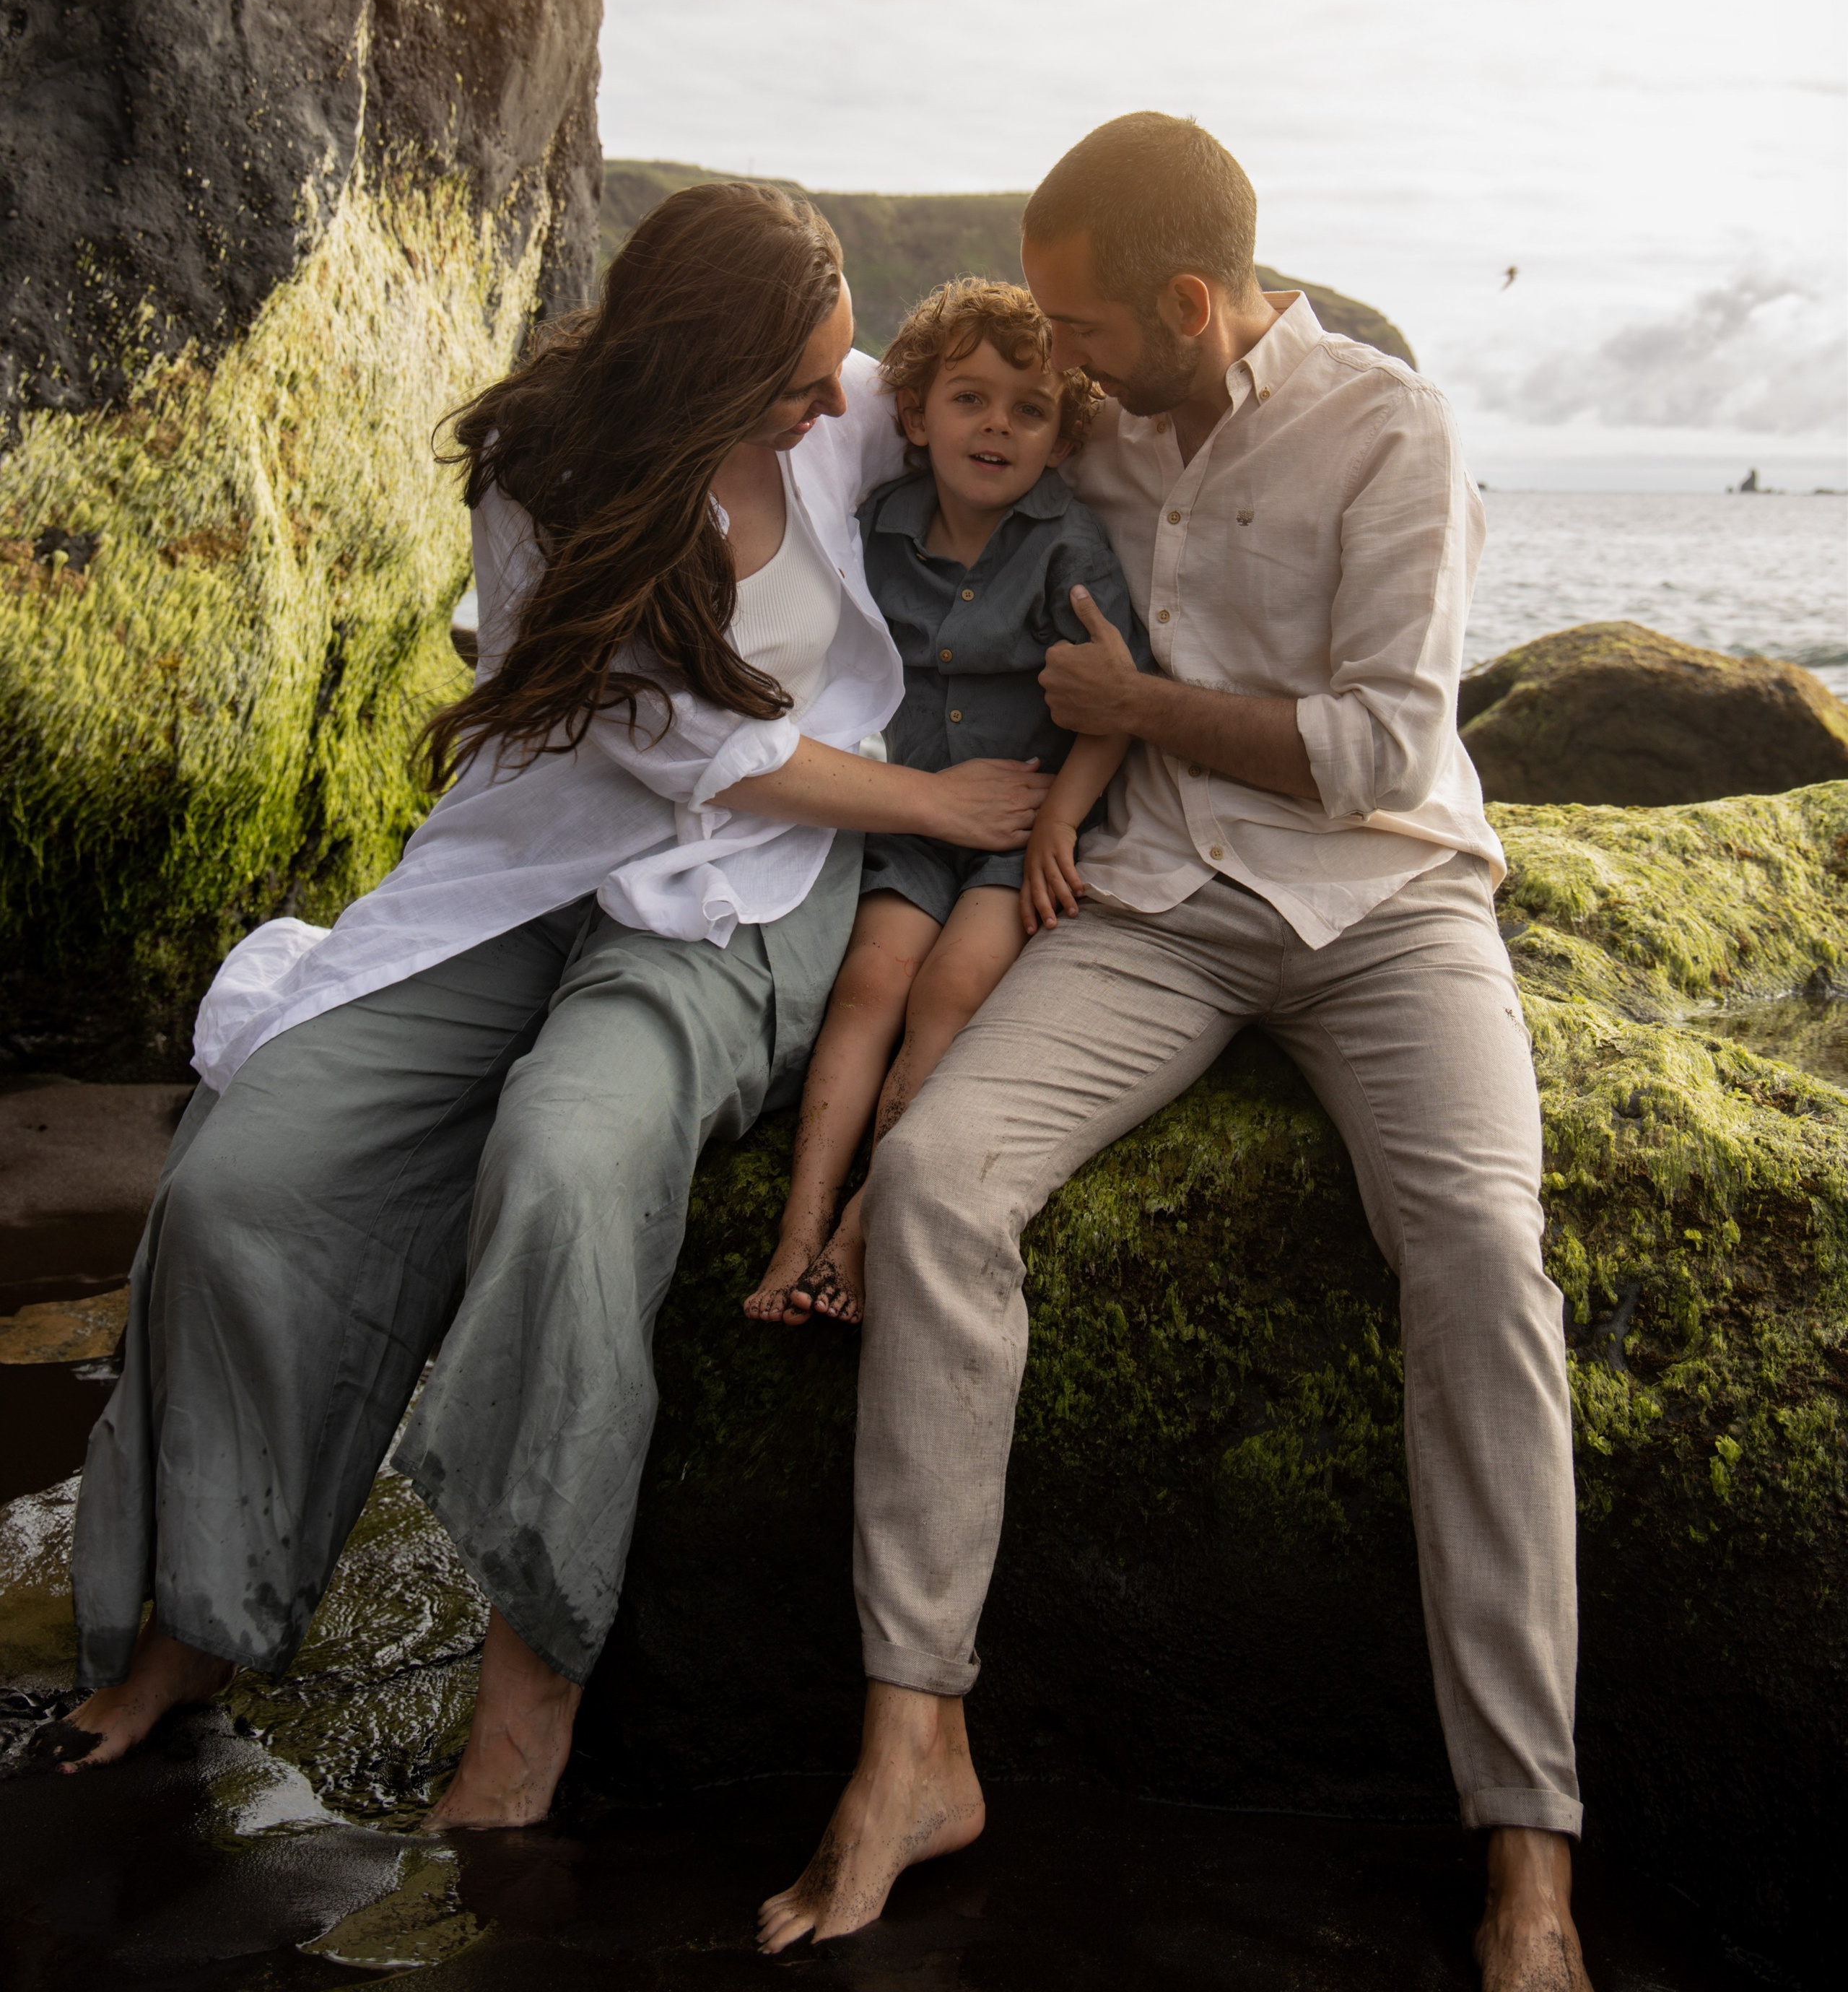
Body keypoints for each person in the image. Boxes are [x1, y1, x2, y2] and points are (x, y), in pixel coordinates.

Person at [45, 182, 1047, 1830]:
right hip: (539, 858)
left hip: (753, 888)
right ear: (693, 366)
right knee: (243, 1179)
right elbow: (673, 746)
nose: (827, 401)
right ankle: (207, 1617)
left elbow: (1027, 445)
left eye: (833, 370)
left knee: (566, 1169)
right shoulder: (544, 475)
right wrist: (938, 807)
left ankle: (530, 1693)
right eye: (794, 378)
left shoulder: (843, 411)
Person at [761, 117, 1590, 1992]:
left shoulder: (1397, 433)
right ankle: (917, 1751)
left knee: (1481, 1258)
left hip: (1390, 913)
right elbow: (865, 391)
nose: (1063, 371)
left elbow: (1385, 753)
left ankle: (1530, 1852)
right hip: (1149, 907)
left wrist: (1135, 709)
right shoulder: (1094, 420)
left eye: (1090, 331)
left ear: (1194, 305)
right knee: (943, 1187)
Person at [744, 278, 1149, 1326]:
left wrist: (1063, 815)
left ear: (1063, 439)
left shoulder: (1070, 547)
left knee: (953, 987)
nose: (997, 427)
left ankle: (863, 1233)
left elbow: (1116, 703)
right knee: (871, 982)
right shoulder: (876, 527)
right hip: (914, 806)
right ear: (915, 416)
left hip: (1021, 826)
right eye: (970, 400)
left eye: (1030, 409)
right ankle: (798, 1231)